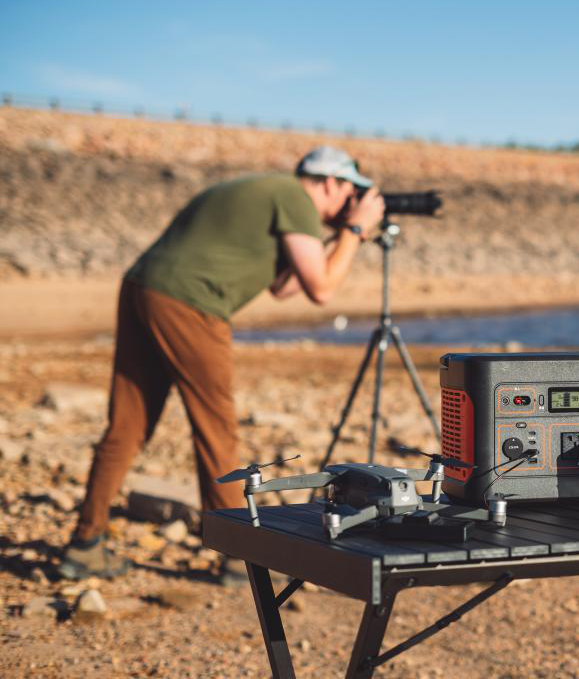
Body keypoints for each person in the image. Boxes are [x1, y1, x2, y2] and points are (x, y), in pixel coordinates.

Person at [58, 146, 385, 581]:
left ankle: (85, 545)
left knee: (128, 426)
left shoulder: (269, 189)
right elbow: (321, 289)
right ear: (332, 183)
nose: (351, 202)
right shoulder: (295, 198)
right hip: (190, 302)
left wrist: (343, 231)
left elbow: (285, 287)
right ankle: (237, 557)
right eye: (352, 192)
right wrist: (357, 230)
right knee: (216, 428)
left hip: (143, 287)